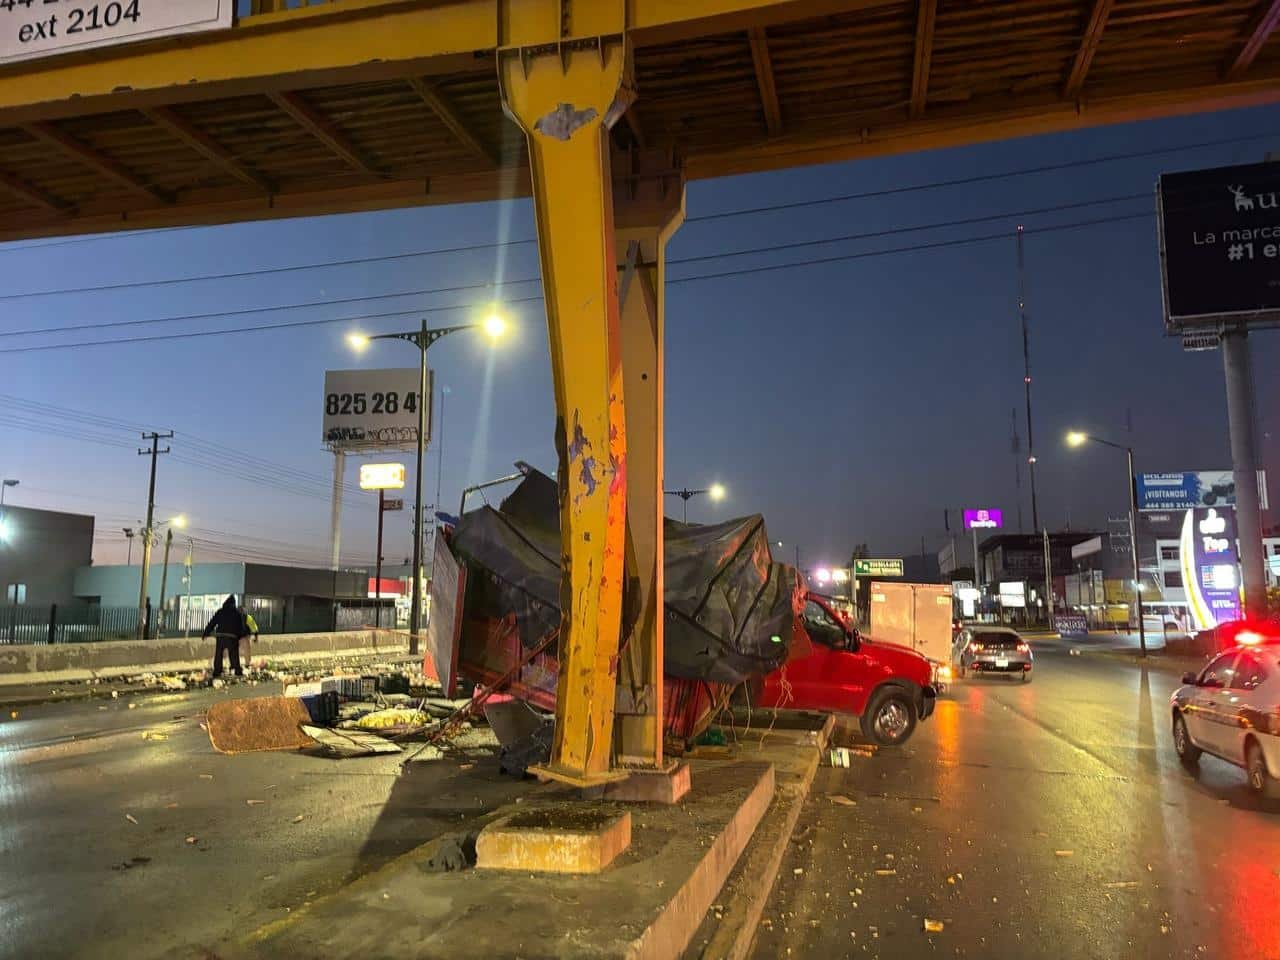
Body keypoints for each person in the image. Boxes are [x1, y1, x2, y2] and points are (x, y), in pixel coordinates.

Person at [203, 595, 246, 679]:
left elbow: (212, 622)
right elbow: (241, 626)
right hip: (232, 637)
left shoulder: (220, 611)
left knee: (219, 654)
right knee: (234, 654)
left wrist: (206, 632)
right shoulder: (237, 613)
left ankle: (217, 671)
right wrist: (240, 636)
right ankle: (237, 670)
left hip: (221, 636)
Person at [237, 605, 260, 674]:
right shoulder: (248, 617)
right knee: (247, 651)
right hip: (245, 637)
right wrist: (256, 638)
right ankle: (247, 665)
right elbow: (255, 628)